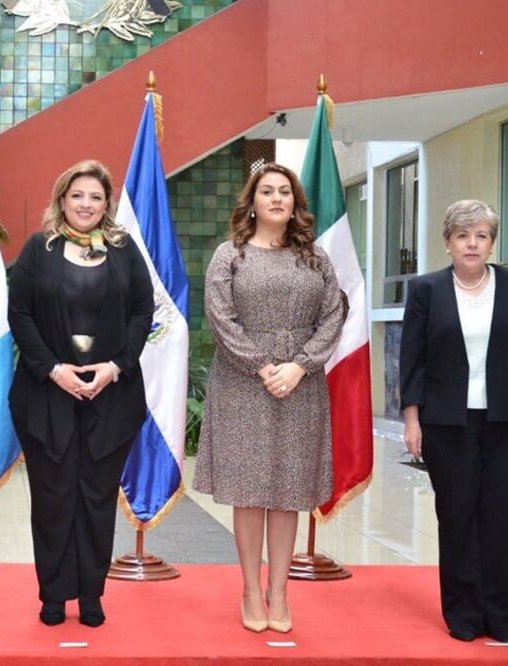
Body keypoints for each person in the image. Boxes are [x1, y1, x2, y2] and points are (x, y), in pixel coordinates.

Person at [193, 162, 346, 634]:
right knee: (250, 490)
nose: (277, 198)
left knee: (287, 491)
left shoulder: (316, 258)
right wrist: (263, 366)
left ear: (295, 204)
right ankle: (249, 588)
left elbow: (334, 314)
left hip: (301, 382)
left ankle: (279, 592)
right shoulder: (229, 255)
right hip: (243, 383)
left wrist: (299, 365)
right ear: (253, 202)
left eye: (285, 192)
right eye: (267, 191)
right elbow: (221, 318)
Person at [8, 159, 153, 628]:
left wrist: (115, 367)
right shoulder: (38, 249)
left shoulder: (124, 249)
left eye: (95, 197)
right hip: (45, 395)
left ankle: (91, 593)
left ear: (106, 203)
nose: (86, 204)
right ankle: (53, 595)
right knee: (52, 498)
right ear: (62, 200)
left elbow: (141, 313)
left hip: (111, 394)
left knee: (95, 496)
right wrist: (53, 370)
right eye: (77, 196)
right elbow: (20, 315)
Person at [400, 199, 508, 644]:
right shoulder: (427, 290)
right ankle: (463, 615)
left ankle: (500, 618)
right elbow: (413, 361)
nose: (472, 243)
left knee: (500, 520)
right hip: (447, 422)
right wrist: (412, 419)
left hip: (506, 420)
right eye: (463, 236)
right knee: (458, 516)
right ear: (448, 242)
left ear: (491, 243)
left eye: (481, 236)